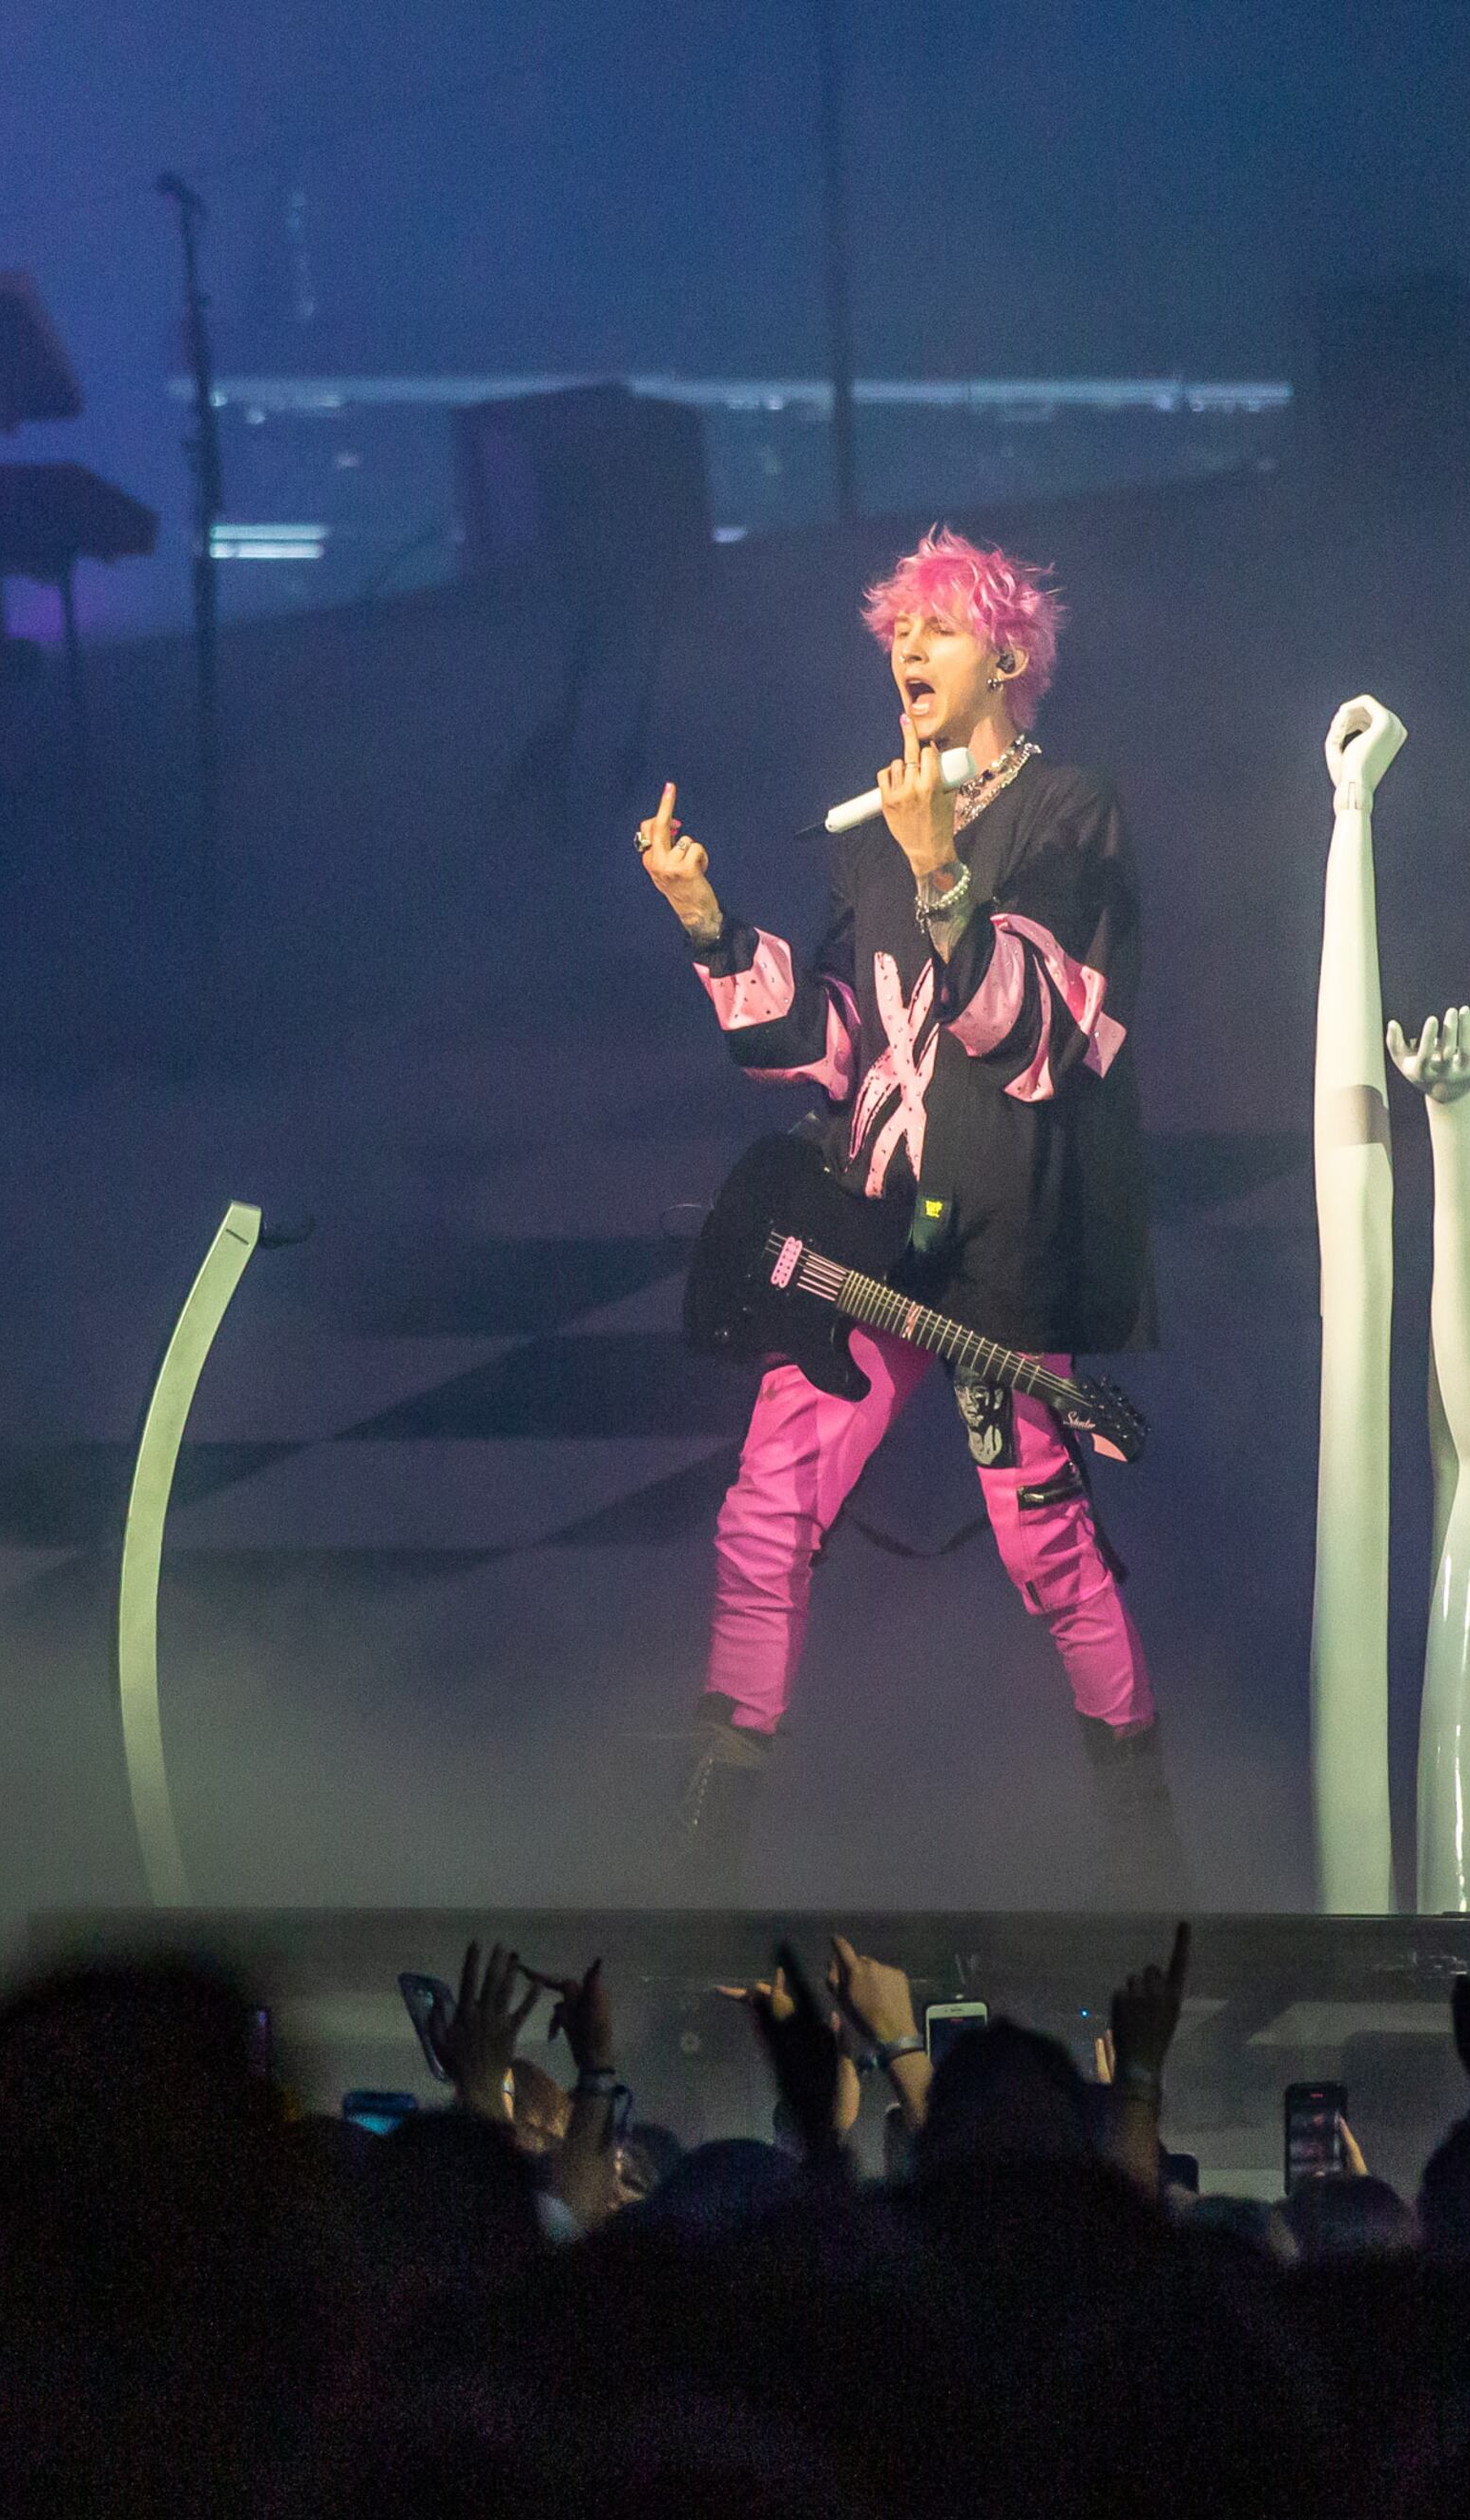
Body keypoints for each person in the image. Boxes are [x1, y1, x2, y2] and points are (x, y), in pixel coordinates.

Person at [638, 530, 1176, 1906]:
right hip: (880, 1235)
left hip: (1003, 1240)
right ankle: (700, 1867)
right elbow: (834, 1047)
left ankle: (1148, 1870)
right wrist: (710, 927)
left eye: (934, 631)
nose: (906, 655)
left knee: (1044, 1539)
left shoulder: (1073, 813)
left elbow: (1041, 1039)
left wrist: (946, 874)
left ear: (1007, 655)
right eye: (896, 635)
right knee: (766, 1513)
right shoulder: (878, 835)